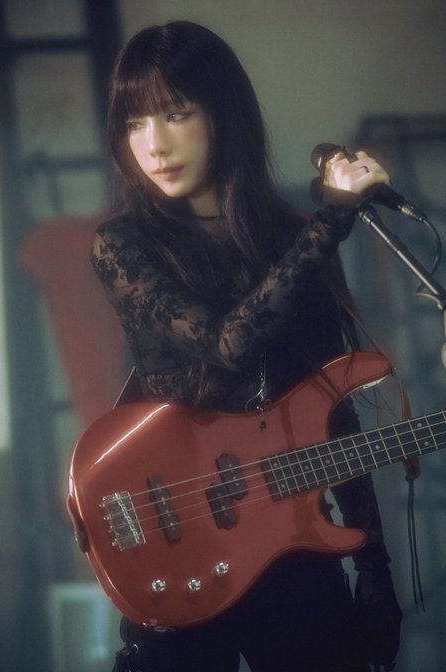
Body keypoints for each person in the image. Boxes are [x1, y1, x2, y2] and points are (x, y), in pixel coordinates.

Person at [90, 20, 402, 672]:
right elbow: (225, 345)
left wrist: (375, 568)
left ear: (223, 113)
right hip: (179, 547)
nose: (155, 144)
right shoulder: (124, 244)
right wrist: (330, 221)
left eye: (177, 114)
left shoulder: (291, 234)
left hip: (295, 546)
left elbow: (333, 406)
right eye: (136, 122)